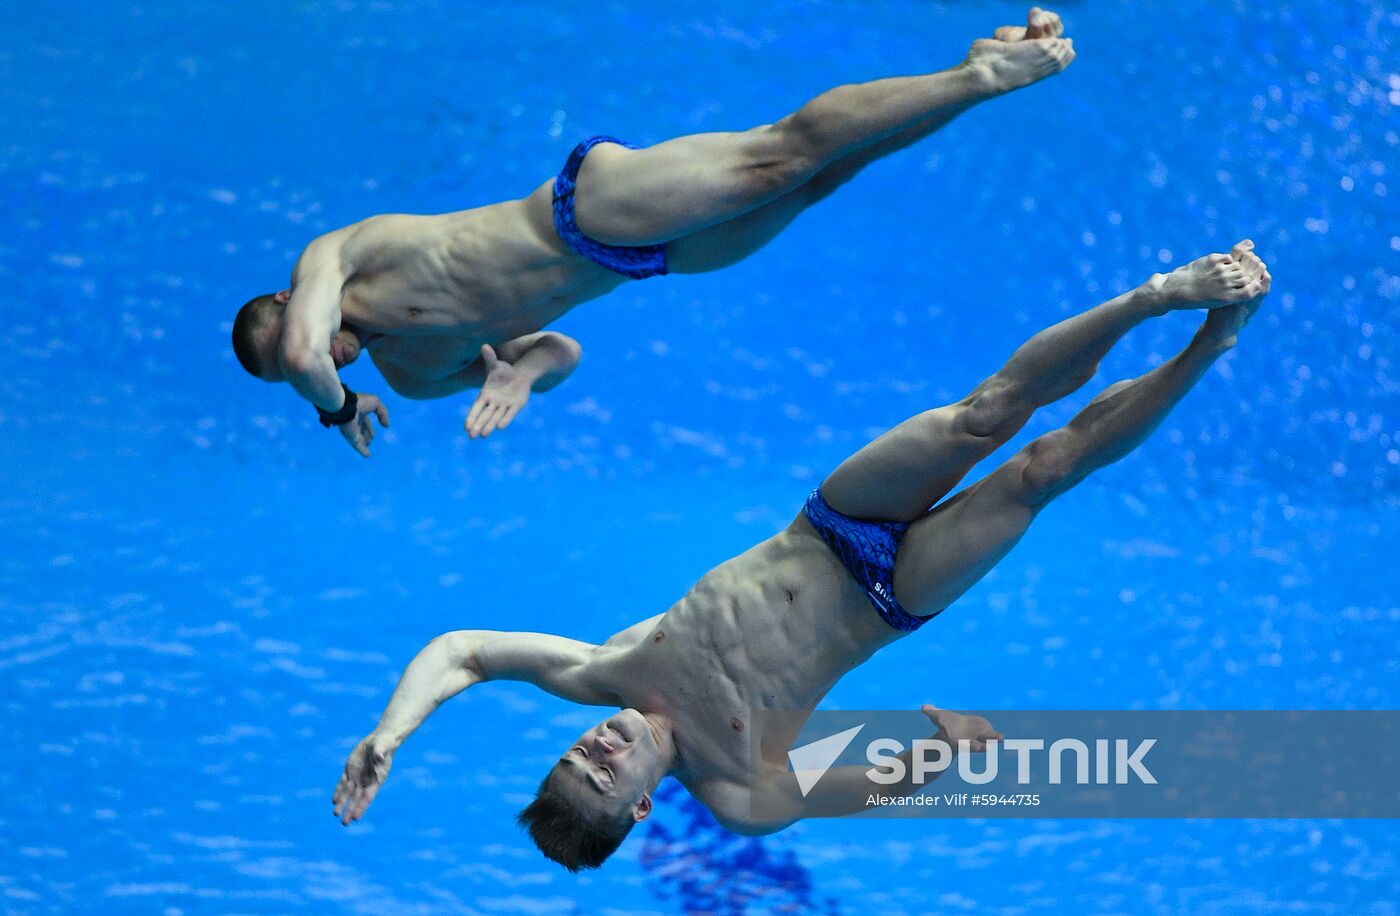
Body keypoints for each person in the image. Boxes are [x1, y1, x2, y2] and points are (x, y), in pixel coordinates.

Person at [331, 243, 1271, 869]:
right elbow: (858, 794)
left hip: (829, 525)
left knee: (986, 414)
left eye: (576, 756)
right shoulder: (741, 795)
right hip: (892, 596)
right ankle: (1210, 344)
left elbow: (462, 651)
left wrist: (388, 733)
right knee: (1041, 469)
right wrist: (943, 759)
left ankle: (1158, 295)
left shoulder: (604, 673)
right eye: (603, 774)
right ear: (640, 809)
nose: (598, 747)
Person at [231, 10, 1075, 456]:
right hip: (638, 261)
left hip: (583, 210)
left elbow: (307, 360)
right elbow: (559, 354)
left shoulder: (338, 257)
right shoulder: (412, 374)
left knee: (777, 160)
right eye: (300, 377)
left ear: (292, 299)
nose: (327, 357)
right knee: (821, 184)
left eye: (301, 343)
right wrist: (524, 378)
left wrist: (333, 412)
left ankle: (978, 72)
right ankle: (974, 83)